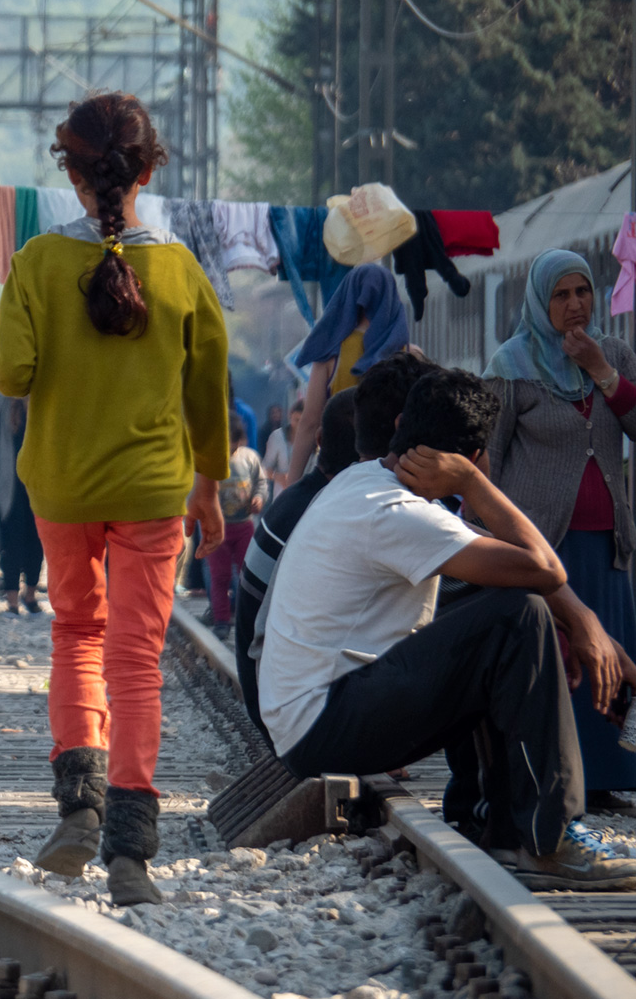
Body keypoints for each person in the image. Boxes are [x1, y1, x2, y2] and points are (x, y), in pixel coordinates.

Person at [261, 369, 636, 891]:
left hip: (311, 718)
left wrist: (577, 619)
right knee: (518, 614)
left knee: (503, 606)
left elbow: (502, 559)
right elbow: (545, 569)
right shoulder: (399, 513)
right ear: (473, 457)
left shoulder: (365, 481)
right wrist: (475, 485)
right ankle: (552, 838)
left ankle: (493, 820)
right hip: (324, 725)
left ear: (401, 425)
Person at [0, 91, 228, 904]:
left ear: (70, 171)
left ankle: (77, 815)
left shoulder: (36, 263)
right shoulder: (183, 271)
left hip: (60, 485)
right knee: (135, 661)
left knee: (76, 639)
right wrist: (209, 484)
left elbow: (12, 375)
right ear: (148, 168)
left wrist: (32, 316)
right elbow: (209, 394)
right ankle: (131, 851)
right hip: (155, 490)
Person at [482, 248, 636, 811]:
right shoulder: (509, 365)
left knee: (612, 657)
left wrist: (602, 371)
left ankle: (608, 775)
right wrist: (484, 542)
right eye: (561, 295)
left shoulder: (613, 353)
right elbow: (487, 461)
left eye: (583, 292)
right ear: (540, 302)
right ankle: (563, 780)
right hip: (544, 547)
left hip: (607, 542)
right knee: (563, 663)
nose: (575, 305)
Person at [232, 386, 361, 732]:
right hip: (288, 710)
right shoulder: (330, 510)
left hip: (268, 695)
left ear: (319, 438)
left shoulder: (298, 501)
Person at [286, 264, 410, 485]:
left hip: (338, 476)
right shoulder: (409, 354)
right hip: (393, 476)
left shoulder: (331, 355)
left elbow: (309, 422)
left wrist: (291, 485)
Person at [0, 392, 43, 615]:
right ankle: (12, 599)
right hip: (8, 485)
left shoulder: (46, 395)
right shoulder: (2, 397)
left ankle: (30, 594)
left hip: (39, 484)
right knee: (12, 542)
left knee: (38, 541)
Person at [207, 413, 266, 643]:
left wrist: (259, 499)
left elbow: (260, 483)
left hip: (244, 526)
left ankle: (247, 620)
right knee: (220, 576)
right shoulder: (209, 460)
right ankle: (222, 620)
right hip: (217, 527)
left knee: (247, 574)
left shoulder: (250, 458)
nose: (231, 448)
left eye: (235, 443)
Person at [262, 401, 302, 500]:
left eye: (302, 421)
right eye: (296, 420)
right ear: (290, 416)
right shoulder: (277, 437)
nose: (298, 425)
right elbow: (264, 469)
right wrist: (278, 477)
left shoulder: (313, 438)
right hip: (282, 498)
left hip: (306, 498)